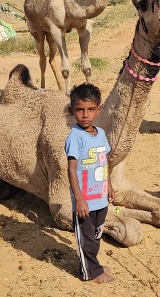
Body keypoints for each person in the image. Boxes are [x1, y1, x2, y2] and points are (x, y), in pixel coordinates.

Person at [65, 83, 115, 284]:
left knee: (95, 235)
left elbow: (104, 162)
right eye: (80, 110)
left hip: (100, 197)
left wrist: (109, 185)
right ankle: (90, 274)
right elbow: (71, 169)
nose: (85, 115)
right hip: (84, 201)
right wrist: (79, 199)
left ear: (98, 110)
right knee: (86, 238)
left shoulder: (101, 134)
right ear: (72, 111)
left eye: (90, 110)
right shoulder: (75, 138)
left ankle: (93, 264)